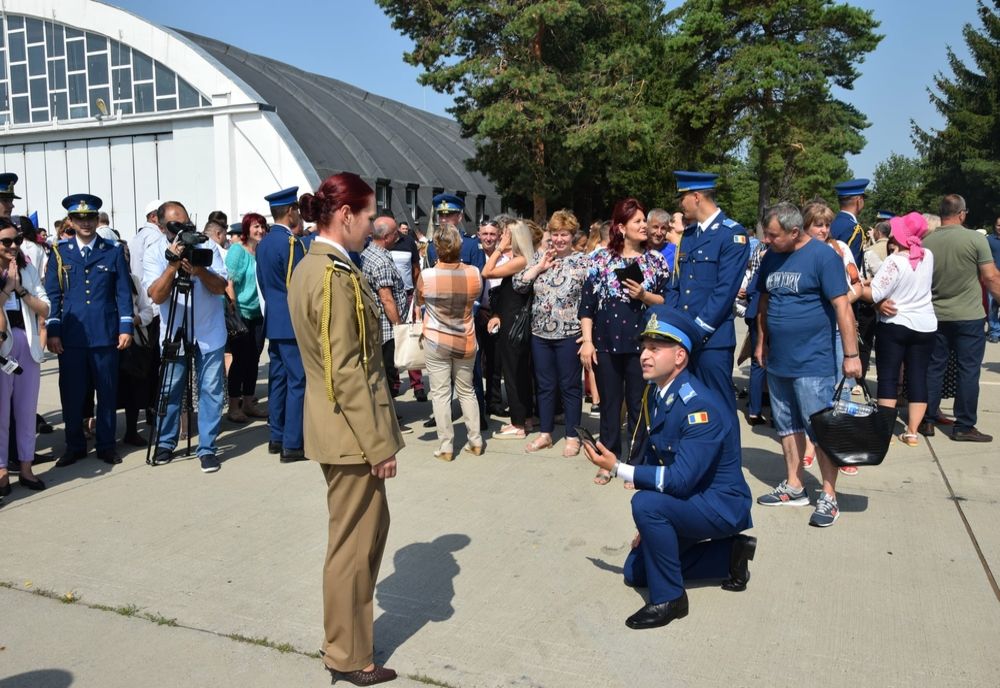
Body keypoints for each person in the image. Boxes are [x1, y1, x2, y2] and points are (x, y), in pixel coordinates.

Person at [287, 172, 402, 687]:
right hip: (352, 432)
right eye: (369, 213)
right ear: (345, 214)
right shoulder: (333, 274)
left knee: (362, 538)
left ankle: (347, 646)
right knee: (353, 548)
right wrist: (377, 444)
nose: (374, 224)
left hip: (341, 426)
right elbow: (348, 369)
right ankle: (348, 656)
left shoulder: (316, 266)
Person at [582, 306, 754, 629]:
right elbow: (657, 457)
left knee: (645, 503)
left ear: (679, 357)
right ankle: (730, 555)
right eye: (644, 347)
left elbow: (678, 479)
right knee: (636, 572)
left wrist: (619, 468)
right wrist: (650, 526)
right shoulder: (658, 393)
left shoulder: (699, 406)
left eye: (655, 348)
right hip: (692, 499)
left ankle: (670, 598)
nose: (645, 355)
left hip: (720, 504)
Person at [754, 202, 861, 528]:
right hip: (779, 360)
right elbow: (764, 300)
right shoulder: (771, 255)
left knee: (820, 428)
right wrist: (761, 342)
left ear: (794, 231)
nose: (767, 240)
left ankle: (829, 495)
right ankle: (795, 485)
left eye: (773, 235)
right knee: (786, 426)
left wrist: (851, 355)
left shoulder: (823, 257)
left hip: (813, 362)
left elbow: (842, 307)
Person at [579, 198, 669, 483]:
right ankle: (608, 460)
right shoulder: (600, 258)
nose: (645, 226)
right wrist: (587, 341)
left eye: (644, 221)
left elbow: (667, 302)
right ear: (621, 227)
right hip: (605, 342)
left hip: (643, 345)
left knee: (639, 405)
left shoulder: (655, 261)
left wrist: (644, 295)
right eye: (638, 222)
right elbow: (587, 305)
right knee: (609, 405)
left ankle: (636, 465)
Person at [44, 194, 133, 466]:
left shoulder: (113, 250)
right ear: (70, 221)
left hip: (105, 333)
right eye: (80, 218)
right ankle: (75, 445)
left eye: (91, 217)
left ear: (97, 219)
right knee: (72, 393)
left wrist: (126, 326)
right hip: (71, 335)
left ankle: (106, 444)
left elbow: (122, 293)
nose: (86, 223)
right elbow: (53, 295)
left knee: (106, 392)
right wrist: (54, 330)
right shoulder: (60, 252)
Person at [143, 202, 228, 474]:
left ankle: (207, 448)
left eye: (187, 225)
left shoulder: (208, 248)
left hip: (209, 331)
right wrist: (172, 266)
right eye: (175, 226)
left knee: (210, 391)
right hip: (175, 331)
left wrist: (199, 271)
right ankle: (166, 443)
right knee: (169, 390)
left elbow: (221, 287)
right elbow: (156, 295)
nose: (183, 231)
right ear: (160, 226)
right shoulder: (155, 252)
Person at [665, 171, 751, 415]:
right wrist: (673, 325)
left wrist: (697, 330)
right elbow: (676, 285)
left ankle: (728, 455)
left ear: (696, 197)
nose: (680, 205)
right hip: (683, 337)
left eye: (682, 198)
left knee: (719, 408)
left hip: (711, 341)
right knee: (687, 408)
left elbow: (724, 292)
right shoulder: (689, 236)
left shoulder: (732, 234)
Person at [919, 194, 1000, 441]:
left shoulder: (926, 242)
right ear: (962, 213)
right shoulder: (975, 239)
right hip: (969, 316)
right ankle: (964, 425)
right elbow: (990, 277)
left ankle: (927, 419)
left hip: (935, 315)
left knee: (933, 368)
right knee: (968, 370)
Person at [513, 209, 590, 455]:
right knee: (545, 386)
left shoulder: (583, 262)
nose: (559, 239)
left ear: (572, 235)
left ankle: (572, 435)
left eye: (564, 234)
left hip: (569, 333)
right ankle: (545, 433)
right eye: (555, 234)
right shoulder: (539, 257)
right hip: (540, 333)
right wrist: (539, 267)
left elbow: (593, 298)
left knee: (570, 387)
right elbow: (519, 284)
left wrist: (589, 334)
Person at [858, 212, 937, 446]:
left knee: (889, 377)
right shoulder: (928, 255)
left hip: (895, 323)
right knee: (918, 376)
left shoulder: (895, 261)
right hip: (925, 324)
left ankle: (883, 430)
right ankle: (912, 431)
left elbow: (875, 293)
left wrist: (857, 287)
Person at [417, 224, 484, 460]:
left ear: (437, 247)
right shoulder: (474, 273)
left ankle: (446, 446)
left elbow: (419, 298)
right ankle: (475, 440)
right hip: (465, 337)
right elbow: (475, 296)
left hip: (437, 339)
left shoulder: (427, 276)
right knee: (467, 391)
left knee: (441, 393)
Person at [256, 186, 310, 462]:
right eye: (297, 210)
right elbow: (297, 285)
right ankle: (292, 443)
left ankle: (276, 437)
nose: (298, 214)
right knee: (298, 380)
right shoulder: (292, 244)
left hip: (275, 320)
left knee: (278, 380)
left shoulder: (263, 243)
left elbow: (265, 286)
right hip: (291, 321)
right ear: (290, 211)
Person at [0, 218, 51, 494]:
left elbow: (45, 308)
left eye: (16, 241)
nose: (12, 246)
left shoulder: (27, 269)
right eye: (6, 241)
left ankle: (26, 467)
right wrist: (7, 287)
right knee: (1, 412)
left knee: (25, 410)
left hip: (26, 341)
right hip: (2, 346)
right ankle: (2, 471)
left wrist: (20, 289)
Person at [483, 219, 539, 439]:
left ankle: (518, 425)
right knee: (519, 372)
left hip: (513, 324)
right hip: (511, 320)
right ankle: (525, 418)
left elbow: (487, 272)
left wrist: (497, 249)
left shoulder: (520, 261)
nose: (502, 238)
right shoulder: (522, 259)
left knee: (514, 373)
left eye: (506, 235)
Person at [225, 213, 268, 423]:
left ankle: (249, 402)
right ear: (246, 229)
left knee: (254, 358)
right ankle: (234, 406)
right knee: (240, 360)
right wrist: (233, 309)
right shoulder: (237, 251)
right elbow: (229, 282)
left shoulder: (261, 251)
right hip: (241, 313)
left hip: (259, 313)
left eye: (262, 227)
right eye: (256, 227)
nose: (260, 230)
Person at [361, 216, 407, 405]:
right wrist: (399, 327)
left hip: (379, 326)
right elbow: (386, 298)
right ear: (387, 237)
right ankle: (388, 420)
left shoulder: (370, 252)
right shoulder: (381, 260)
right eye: (395, 232)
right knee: (387, 375)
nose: (398, 236)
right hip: (387, 330)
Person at [385, 211, 426, 402]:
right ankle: (394, 383)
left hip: (408, 296)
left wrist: (418, 297)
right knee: (392, 343)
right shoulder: (380, 244)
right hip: (388, 296)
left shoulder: (409, 242)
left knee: (411, 338)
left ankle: (417, 385)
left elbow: (416, 270)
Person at [830, 178, 869, 265]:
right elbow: (853, 266)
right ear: (859, 200)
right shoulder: (854, 229)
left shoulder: (830, 223)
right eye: (863, 198)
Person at [986, 216, 1000, 343]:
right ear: (994, 226)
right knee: (993, 307)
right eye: (998, 225)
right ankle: (994, 332)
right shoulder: (988, 240)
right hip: (994, 277)